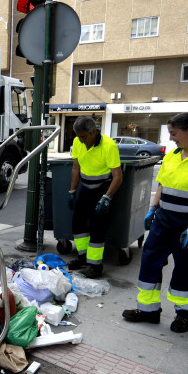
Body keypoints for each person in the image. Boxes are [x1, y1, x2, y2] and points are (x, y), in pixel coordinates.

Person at [122, 113, 188, 333]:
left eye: (174, 133)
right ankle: (148, 310)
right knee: (150, 261)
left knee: (186, 268)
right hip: (163, 220)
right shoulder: (172, 156)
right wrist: (153, 208)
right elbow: (161, 185)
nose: (171, 138)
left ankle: (184, 315)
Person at [66, 116, 123, 278]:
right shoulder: (78, 142)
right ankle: (83, 258)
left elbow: (118, 176)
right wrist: (72, 191)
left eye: (84, 136)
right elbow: (76, 168)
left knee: (98, 227)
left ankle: (95, 266)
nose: (81, 140)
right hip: (85, 187)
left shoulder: (109, 146)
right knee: (77, 224)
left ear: (94, 132)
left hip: (103, 188)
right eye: (78, 136)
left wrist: (107, 197)